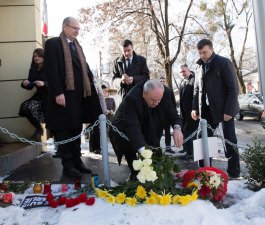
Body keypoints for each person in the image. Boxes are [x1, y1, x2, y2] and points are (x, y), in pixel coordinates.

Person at [44, 17, 99, 178]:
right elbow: (51, 70)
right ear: (64, 27)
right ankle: (68, 165)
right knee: (64, 132)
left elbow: (84, 68)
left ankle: (77, 162)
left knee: (76, 131)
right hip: (62, 98)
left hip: (77, 98)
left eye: (78, 28)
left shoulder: (77, 46)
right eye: (73, 27)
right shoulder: (53, 43)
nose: (76, 30)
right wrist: (57, 92)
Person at [109, 79, 183, 180]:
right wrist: (145, 155)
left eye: (159, 100)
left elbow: (173, 115)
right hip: (125, 128)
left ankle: (154, 176)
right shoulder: (132, 98)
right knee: (136, 161)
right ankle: (135, 175)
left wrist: (177, 128)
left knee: (154, 154)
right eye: (153, 100)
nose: (157, 103)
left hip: (150, 122)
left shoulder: (165, 93)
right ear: (144, 94)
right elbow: (133, 128)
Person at [191, 39, 240, 178]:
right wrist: (195, 108)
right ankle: (205, 171)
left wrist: (229, 110)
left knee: (230, 139)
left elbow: (233, 88)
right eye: (200, 53)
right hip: (206, 110)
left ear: (211, 49)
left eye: (205, 52)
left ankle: (234, 173)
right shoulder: (199, 67)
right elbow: (196, 89)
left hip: (225, 109)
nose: (202, 55)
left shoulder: (224, 63)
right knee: (203, 138)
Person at [19, 48, 48, 140]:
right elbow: (30, 85)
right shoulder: (33, 69)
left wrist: (44, 84)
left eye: (39, 56)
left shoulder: (49, 67)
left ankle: (59, 147)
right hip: (38, 96)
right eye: (35, 56)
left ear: (43, 57)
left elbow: (56, 82)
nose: (36, 58)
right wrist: (25, 82)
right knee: (25, 107)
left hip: (49, 96)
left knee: (53, 121)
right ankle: (39, 128)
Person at [178, 64, 199, 159]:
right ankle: (186, 149)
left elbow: (196, 96)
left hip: (192, 113)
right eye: (181, 72)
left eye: (184, 71)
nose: (182, 73)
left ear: (189, 70)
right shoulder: (182, 81)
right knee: (183, 131)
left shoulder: (194, 80)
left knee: (188, 132)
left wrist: (196, 110)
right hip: (184, 113)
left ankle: (190, 153)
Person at [159, 77, 175, 154]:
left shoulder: (169, 90)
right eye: (160, 81)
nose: (162, 82)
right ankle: (157, 148)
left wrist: (173, 114)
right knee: (158, 132)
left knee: (167, 133)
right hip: (158, 116)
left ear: (165, 82)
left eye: (163, 81)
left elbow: (173, 102)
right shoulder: (155, 90)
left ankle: (168, 148)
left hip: (167, 116)